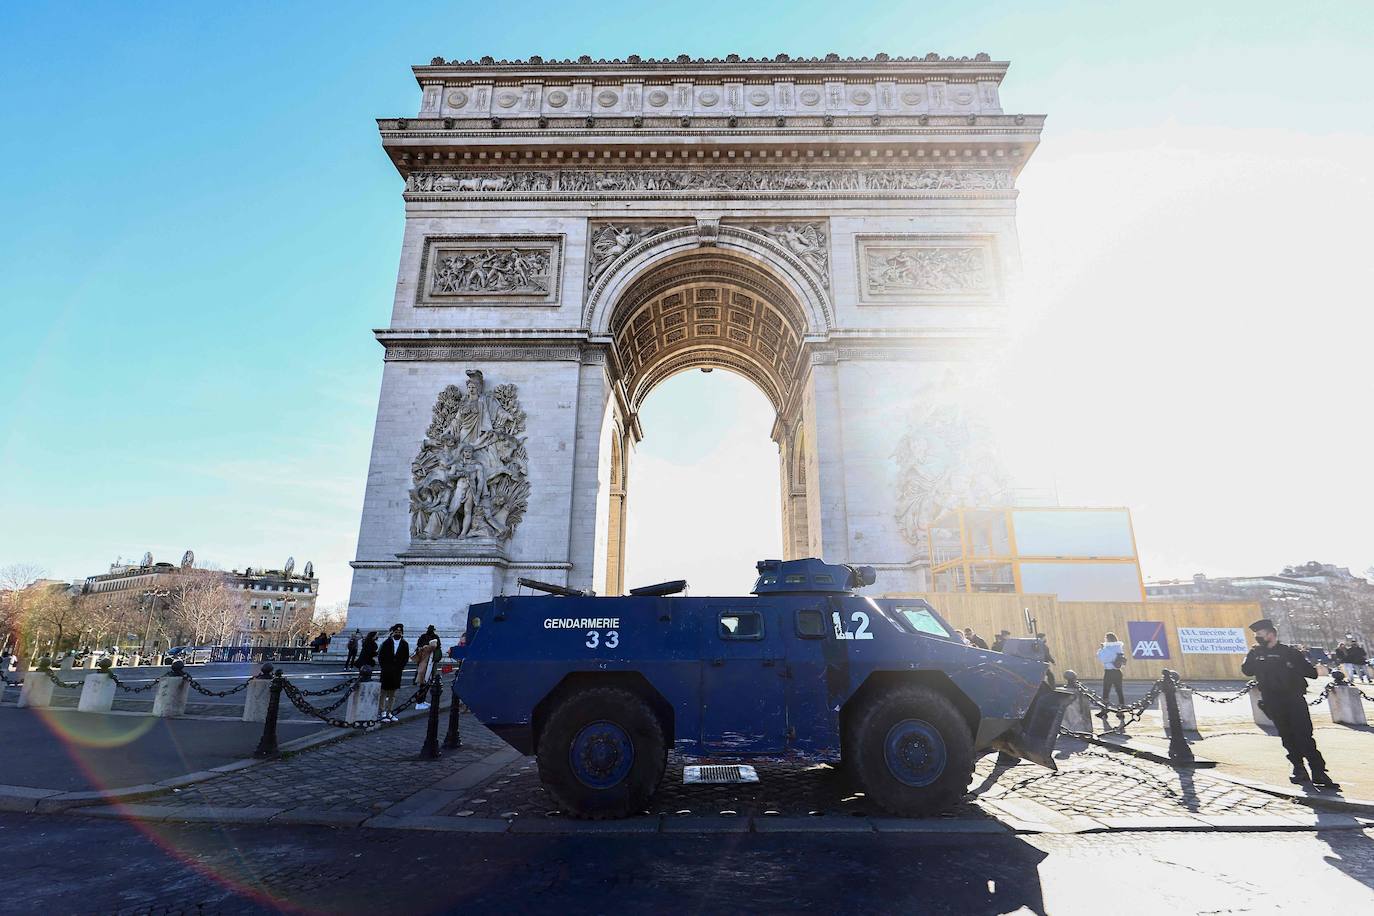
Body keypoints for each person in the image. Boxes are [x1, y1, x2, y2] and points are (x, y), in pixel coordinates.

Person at [1241, 618, 1338, 788]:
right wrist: (1252, 656)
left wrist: (1293, 665)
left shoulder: (1290, 653)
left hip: (1293, 699)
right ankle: (1298, 768)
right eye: (1256, 635)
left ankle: (1318, 771)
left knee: (1304, 735)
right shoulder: (1256, 653)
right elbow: (1246, 670)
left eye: (1260, 635)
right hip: (1272, 700)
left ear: (1271, 634)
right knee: (1287, 736)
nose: (1257, 638)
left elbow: (1311, 673)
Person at [377, 624, 410, 722]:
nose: (398, 634)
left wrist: (400, 668)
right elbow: (381, 656)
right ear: (393, 633)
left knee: (393, 693)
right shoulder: (386, 643)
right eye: (396, 632)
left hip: (397, 672)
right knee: (383, 692)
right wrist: (384, 667)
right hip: (386, 671)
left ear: (402, 633)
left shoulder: (405, 644)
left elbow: (405, 658)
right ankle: (382, 712)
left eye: (399, 632)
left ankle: (389, 712)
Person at [1095, 632, 1128, 725]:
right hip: (1117, 672)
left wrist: (1102, 649)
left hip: (1109, 672)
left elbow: (1103, 659)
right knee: (1119, 691)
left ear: (1108, 639)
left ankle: (1104, 711)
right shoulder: (1119, 647)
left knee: (1106, 691)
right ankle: (1121, 712)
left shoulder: (1107, 648)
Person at [412, 625, 442, 710]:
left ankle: (422, 700)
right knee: (423, 682)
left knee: (427, 682)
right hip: (425, 663)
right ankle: (419, 701)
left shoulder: (425, 637)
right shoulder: (429, 637)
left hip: (430, 662)